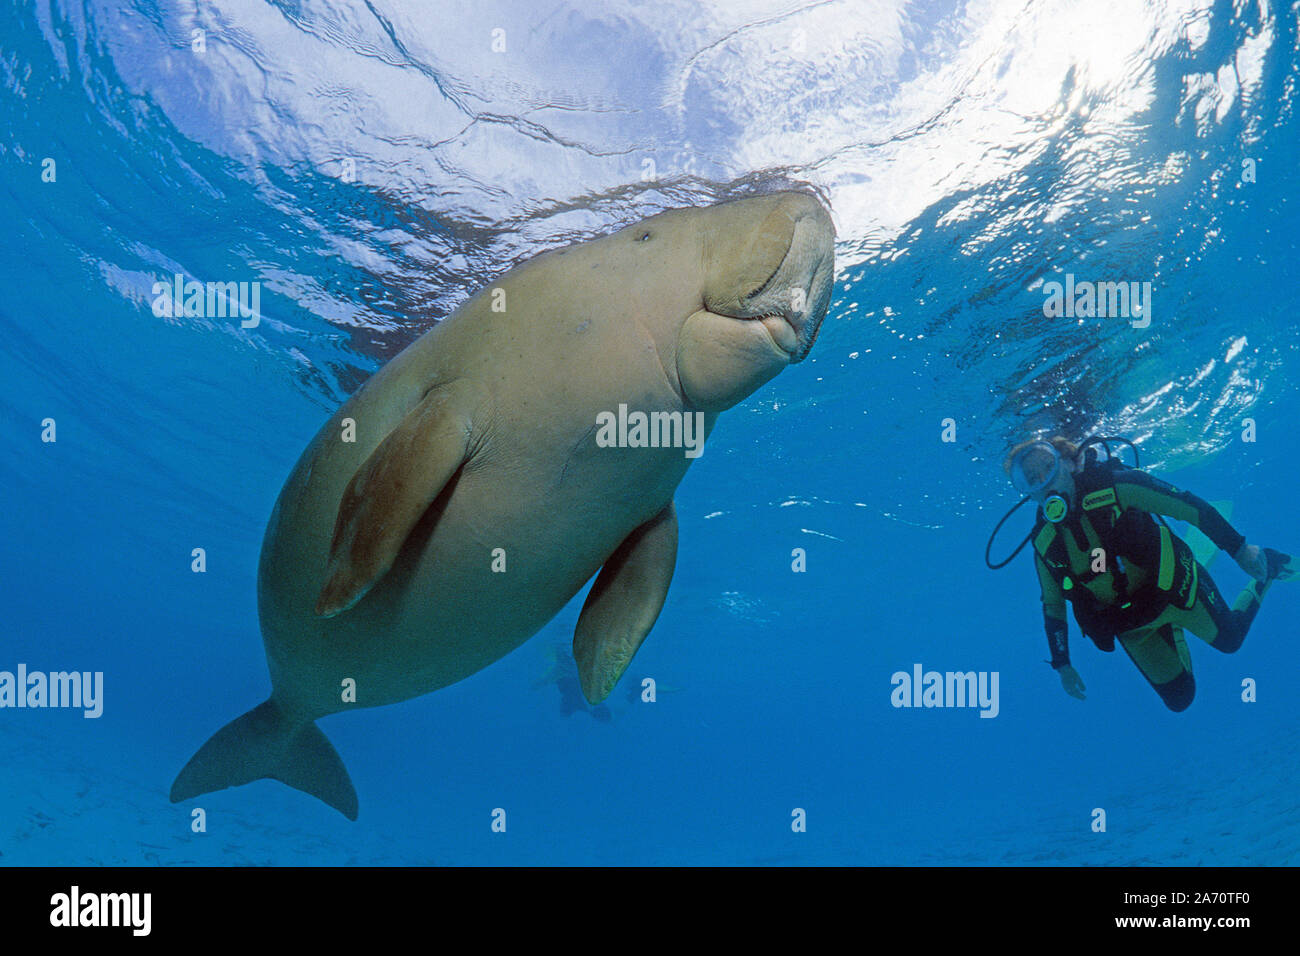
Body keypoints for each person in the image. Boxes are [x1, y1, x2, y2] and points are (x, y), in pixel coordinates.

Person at [1004, 436, 1293, 711]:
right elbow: (1053, 604)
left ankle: (1265, 573)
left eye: (1048, 466)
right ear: (1028, 494)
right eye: (1032, 480)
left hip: (1178, 591)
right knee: (1180, 700)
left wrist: (1240, 549)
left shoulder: (1118, 487)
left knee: (1230, 641)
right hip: (1132, 624)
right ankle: (1170, 631)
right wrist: (1062, 663)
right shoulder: (1045, 542)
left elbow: (1188, 506)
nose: (1045, 480)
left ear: (1068, 462)